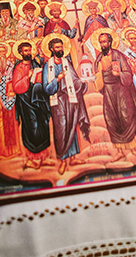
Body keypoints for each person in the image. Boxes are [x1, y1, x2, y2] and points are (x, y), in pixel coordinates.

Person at [39, 36, 91, 175]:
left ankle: (72, 157)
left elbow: (75, 80)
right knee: (61, 129)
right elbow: (46, 88)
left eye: (61, 47)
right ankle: (62, 159)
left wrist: (83, 82)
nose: (60, 50)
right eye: (57, 48)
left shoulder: (67, 62)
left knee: (71, 126)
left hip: (70, 98)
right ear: (51, 49)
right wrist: (58, 79)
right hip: (57, 101)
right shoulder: (47, 66)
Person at [94, 32, 136, 161]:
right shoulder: (99, 58)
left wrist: (119, 73)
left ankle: (133, 149)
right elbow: (97, 79)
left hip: (121, 89)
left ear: (110, 42)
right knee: (112, 119)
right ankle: (120, 151)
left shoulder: (118, 55)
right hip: (109, 92)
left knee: (126, 115)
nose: (103, 44)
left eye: (104, 41)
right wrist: (99, 73)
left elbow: (128, 73)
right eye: (101, 42)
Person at [10, 42, 51, 169]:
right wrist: (27, 77)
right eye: (25, 51)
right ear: (21, 53)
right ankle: (31, 159)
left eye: (29, 50)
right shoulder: (19, 67)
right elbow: (16, 87)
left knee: (43, 125)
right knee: (32, 128)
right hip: (26, 102)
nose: (28, 53)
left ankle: (43, 158)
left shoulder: (35, 63)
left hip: (38, 99)